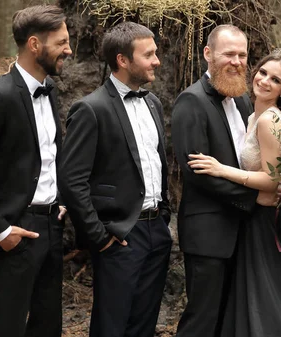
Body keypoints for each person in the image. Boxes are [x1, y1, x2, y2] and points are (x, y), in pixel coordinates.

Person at [178, 45, 281, 336]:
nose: (265, 81)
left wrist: (222, 169)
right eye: (263, 72)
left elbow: (272, 180)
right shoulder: (251, 113)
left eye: (275, 80)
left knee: (268, 303)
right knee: (254, 301)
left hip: (263, 220)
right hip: (251, 218)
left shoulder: (270, 120)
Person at [0, 5, 71, 337]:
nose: (69, 49)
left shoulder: (51, 91)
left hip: (51, 226)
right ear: (35, 45)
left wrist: (59, 201)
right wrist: (0, 231)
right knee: (8, 326)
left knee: (48, 325)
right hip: (16, 230)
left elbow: (46, 156)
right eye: (61, 42)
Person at [58, 22, 172, 337]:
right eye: (148, 54)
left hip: (157, 231)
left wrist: (163, 216)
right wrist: (100, 237)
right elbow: (72, 181)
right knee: (111, 325)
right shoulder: (91, 109)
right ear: (123, 60)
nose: (157, 61)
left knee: (144, 323)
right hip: (120, 235)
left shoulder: (153, 103)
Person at [171, 25, 281, 337]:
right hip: (208, 233)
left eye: (242, 55)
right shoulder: (190, 102)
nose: (236, 61)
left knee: (230, 319)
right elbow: (199, 173)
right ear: (208, 54)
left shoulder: (244, 100)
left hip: (244, 231)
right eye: (228, 54)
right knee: (202, 319)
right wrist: (253, 198)